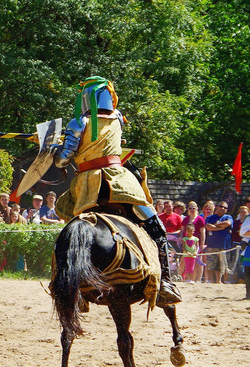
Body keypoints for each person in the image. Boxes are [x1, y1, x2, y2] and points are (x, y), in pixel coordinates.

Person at [48, 76, 179, 305]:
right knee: (155, 226)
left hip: (89, 187)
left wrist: (52, 148)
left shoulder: (78, 123)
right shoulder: (118, 118)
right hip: (121, 183)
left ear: (86, 99)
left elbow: (62, 161)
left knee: (71, 231)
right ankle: (166, 281)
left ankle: (63, 280)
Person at [204, 201, 233, 284]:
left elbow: (227, 223)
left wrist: (216, 225)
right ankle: (209, 280)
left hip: (225, 245)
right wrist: (220, 228)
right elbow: (208, 227)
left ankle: (225, 281)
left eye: (225, 207)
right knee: (210, 264)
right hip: (212, 245)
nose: (223, 208)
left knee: (224, 264)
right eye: (221, 206)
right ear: (217, 207)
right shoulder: (210, 217)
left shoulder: (228, 217)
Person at [181, 201, 206, 282]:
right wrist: (181, 238)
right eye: (190, 208)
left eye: (193, 208)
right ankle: (186, 278)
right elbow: (182, 230)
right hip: (187, 243)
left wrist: (202, 244)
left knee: (198, 261)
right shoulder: (186, 219)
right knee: (186, 261)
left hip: (196, 243)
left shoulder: (200, 219)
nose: (192, 210)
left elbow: (203, 232)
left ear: (197, 209)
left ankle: (198, 279)